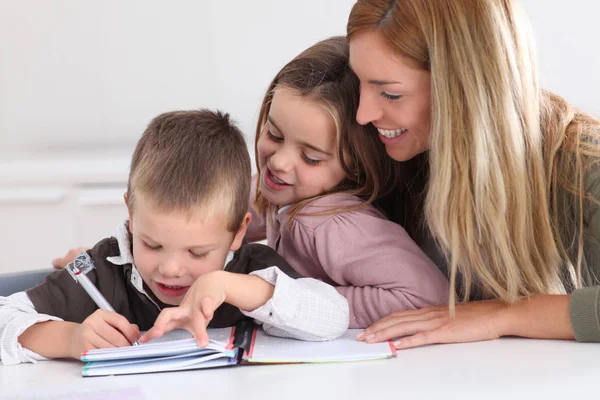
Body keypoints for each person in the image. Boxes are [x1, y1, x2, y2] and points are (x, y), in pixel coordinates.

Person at [0, 110, 349, 365]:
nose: (170, 268)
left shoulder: (250, 270)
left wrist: (229, 287)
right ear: (132, 217)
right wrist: (70, 338)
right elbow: (5, 317)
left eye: (198, 252)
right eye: (152, 245)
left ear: (238, 231)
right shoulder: (101, 269)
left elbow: (334, 317)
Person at [346, 0, 600, 347]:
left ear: (465, 92)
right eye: (359, 82)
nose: (363, 114)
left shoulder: (588, 168)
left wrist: (505, 314)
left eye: (391, 93)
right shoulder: (398, 153)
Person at [246, 35, 449, 328]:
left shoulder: (331, 223)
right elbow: (223, 209)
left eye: (311, 157)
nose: (278, 161)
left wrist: (308, 302)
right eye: (274, 135)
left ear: (355, 168)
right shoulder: (285, 186)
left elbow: (427, 298)